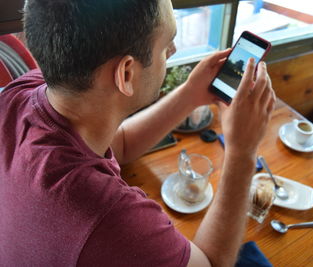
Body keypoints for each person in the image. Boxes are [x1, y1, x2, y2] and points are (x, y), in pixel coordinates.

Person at [0, 0, 275, 266]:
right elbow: (211, 263)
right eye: (166, 44)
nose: (174, 50)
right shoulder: (107, 217)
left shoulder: (24, 91)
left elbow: (118, 144)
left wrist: (191, 94)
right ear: (127, 73)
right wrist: (242, 152)